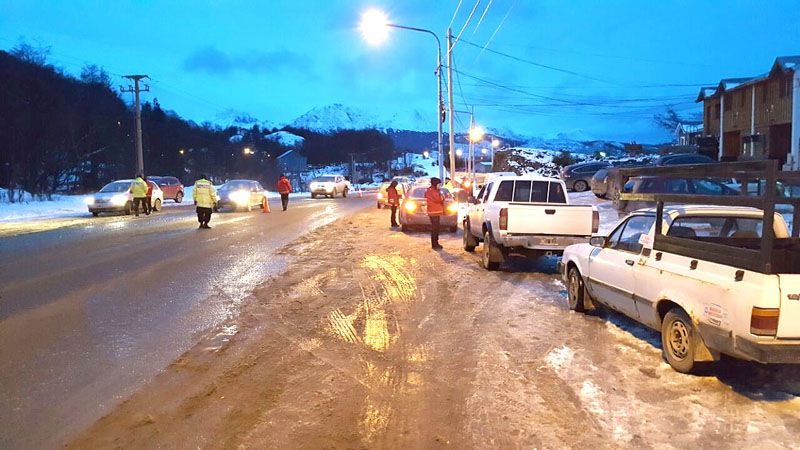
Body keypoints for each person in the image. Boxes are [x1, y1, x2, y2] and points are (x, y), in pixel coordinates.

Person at [425, 177, 445, 250]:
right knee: (435, 229)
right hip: (434, 212)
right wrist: (443, 196)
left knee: (436, 228)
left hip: (434, 212)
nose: (439, 185)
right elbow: (439, 199)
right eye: (439, 184)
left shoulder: (431, 190)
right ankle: (435, 244)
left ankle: (435, 243)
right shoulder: (433, 191)